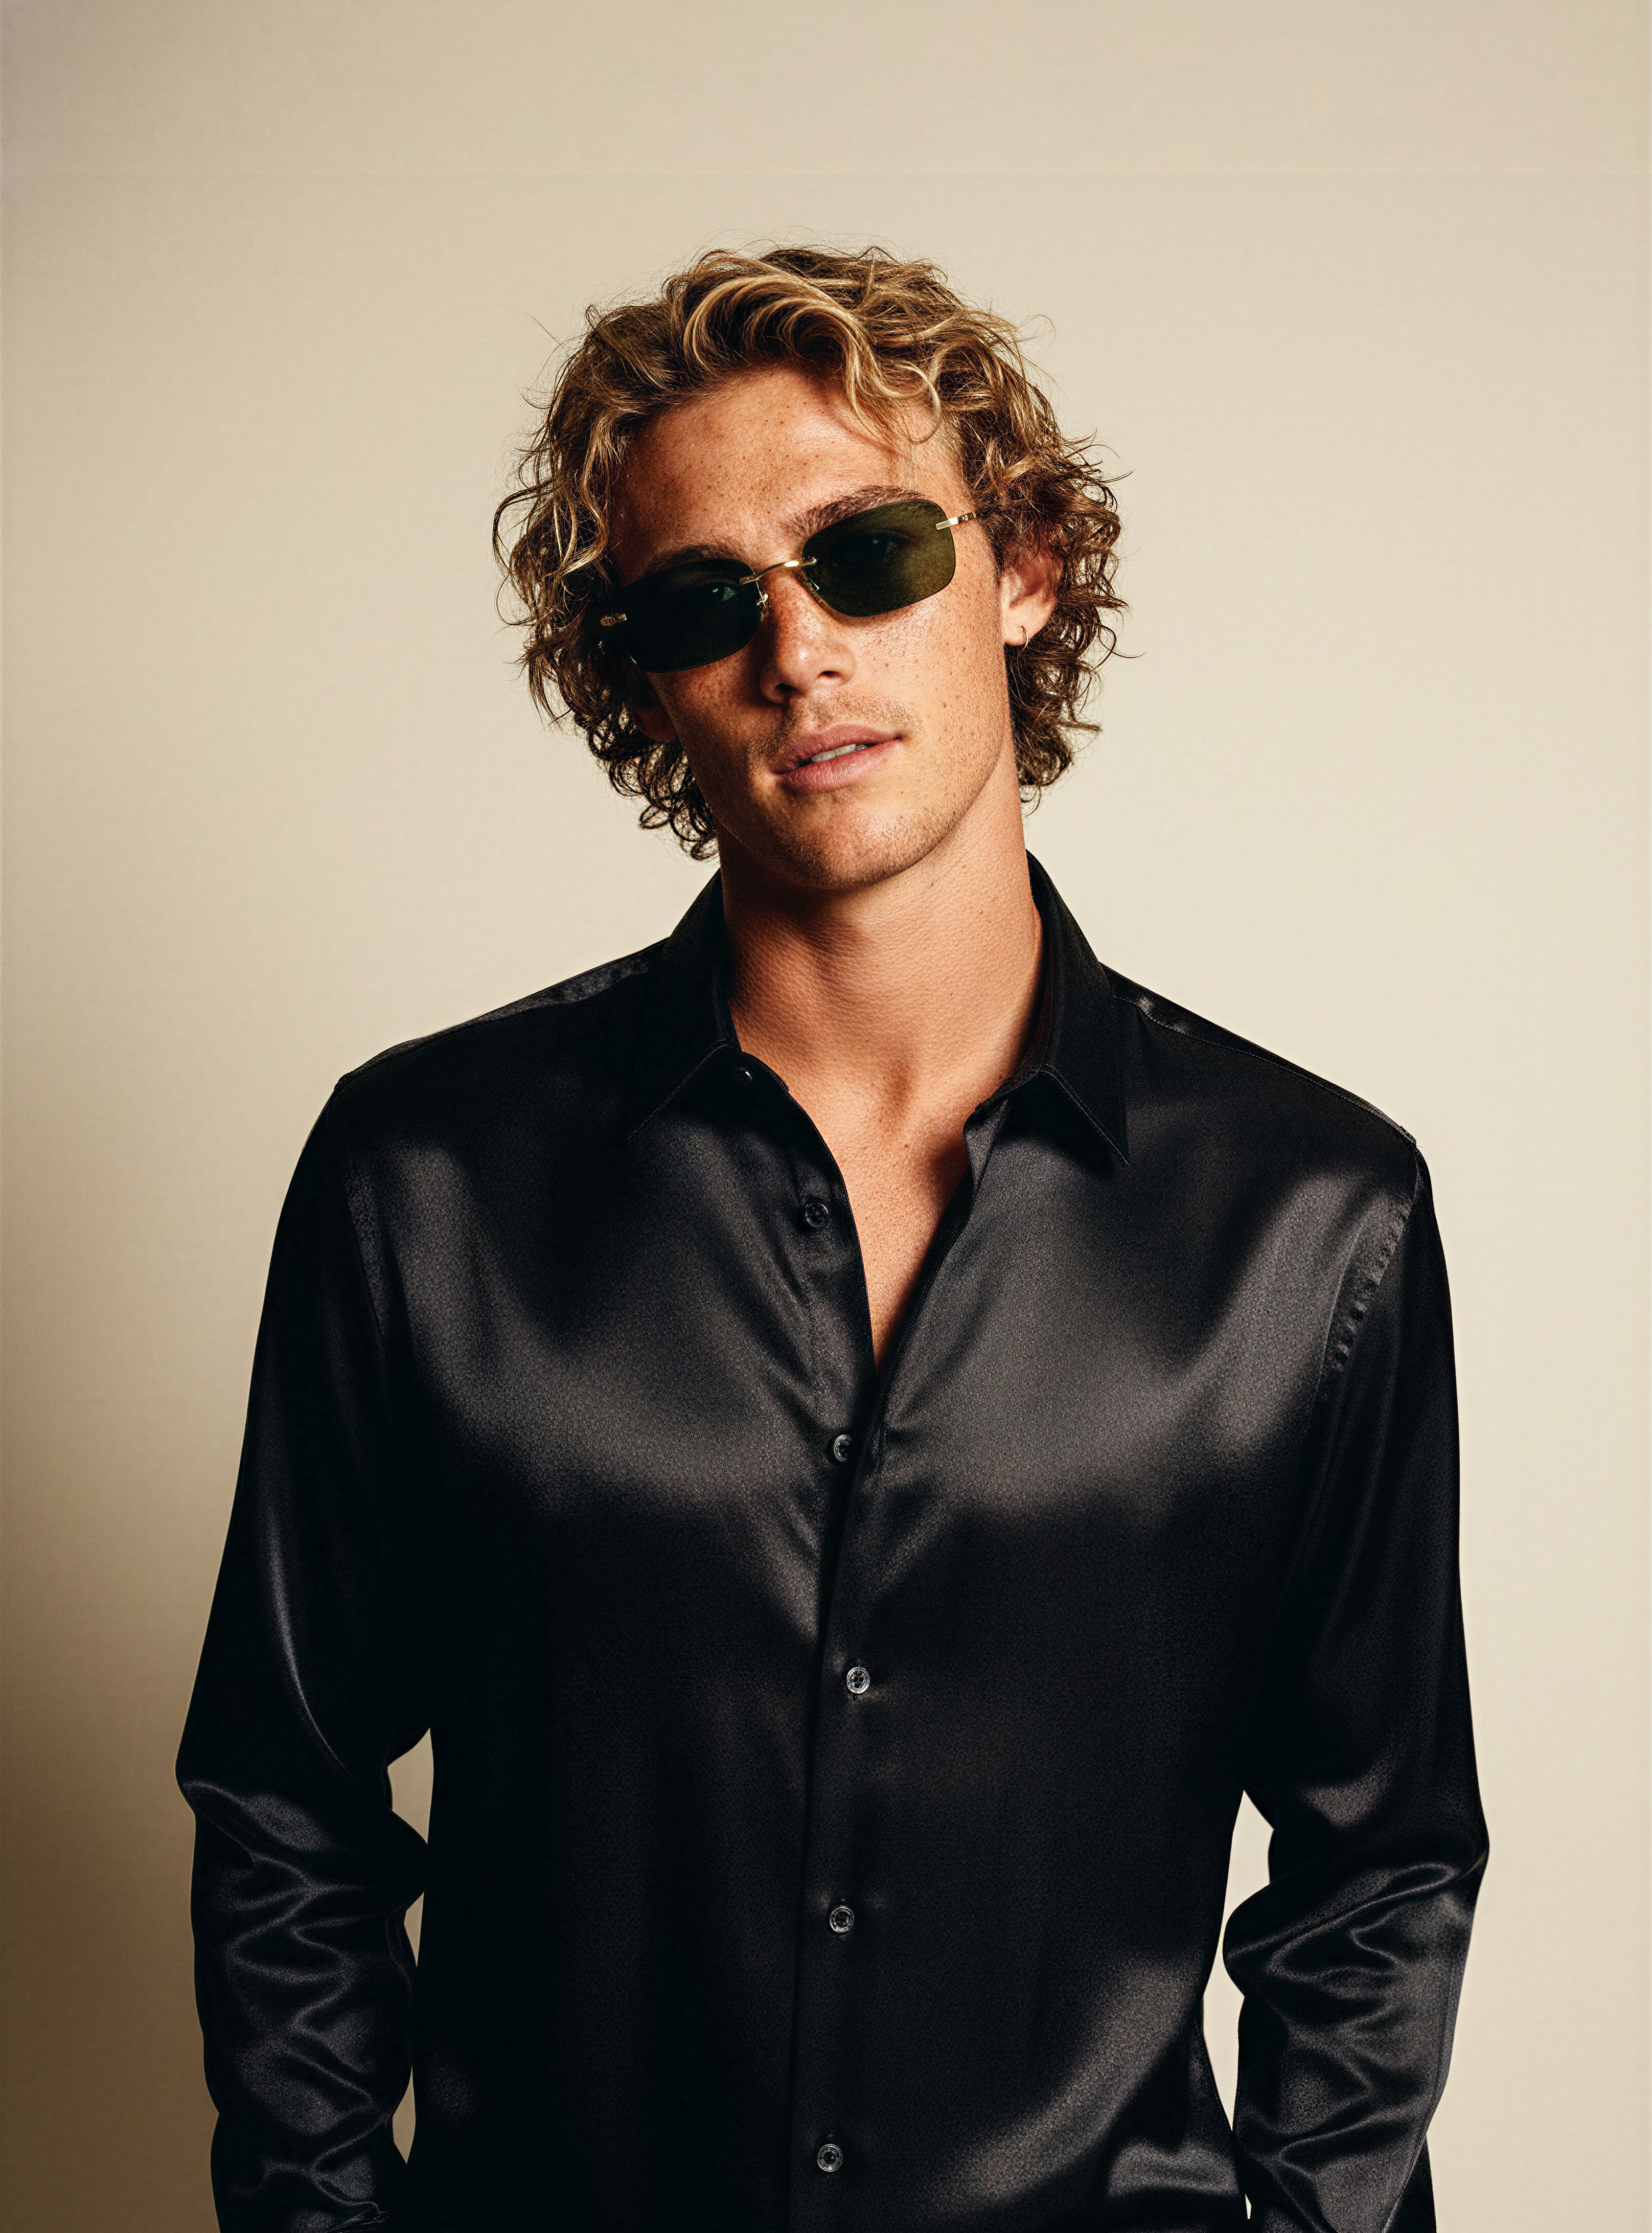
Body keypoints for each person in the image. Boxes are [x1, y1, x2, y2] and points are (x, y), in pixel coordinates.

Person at [177, 244, 1487, 2233]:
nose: (796, 651)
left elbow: (1379, 1868)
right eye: (706, 602)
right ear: (639, 672)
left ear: (1024, 564)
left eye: (867, 555)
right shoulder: (423, 1182)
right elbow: (286, 1805)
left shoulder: (1314, 1221)